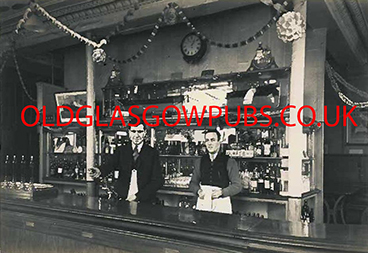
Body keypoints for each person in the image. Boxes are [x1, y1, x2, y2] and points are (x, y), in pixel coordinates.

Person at [89, 122, 164, 203]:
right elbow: (110, 165)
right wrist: (99, 170)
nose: (136, 135)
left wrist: (138, 196)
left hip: (145, 202)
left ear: (145, 133)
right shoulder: (121, 150)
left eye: (140, 132)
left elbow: (158, 180)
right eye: (133, 131)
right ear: (129, 132)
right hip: (122, 199)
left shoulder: (152, 153)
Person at [189, 129, 242, 214]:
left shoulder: (229, 162)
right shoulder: (200, 161)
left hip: (221, 202)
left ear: (219, 142)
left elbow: (237, 186)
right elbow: (193, 183)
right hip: (203, 202)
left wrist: (222, 192)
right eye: (207, 140)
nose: (209, 143)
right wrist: (198, 191)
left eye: (213, 140)